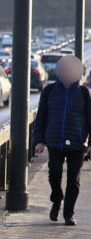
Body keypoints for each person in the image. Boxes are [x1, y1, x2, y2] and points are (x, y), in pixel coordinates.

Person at [34, 55, 91, 226]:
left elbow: (90, 119)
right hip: (54, 141)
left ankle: (68, 214)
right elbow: (41, 117)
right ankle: (57, 199)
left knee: (73, 180)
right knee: (54, 175)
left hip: (77, 143)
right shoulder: (49, 91)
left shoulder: (83, 93)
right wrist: (39, 140)